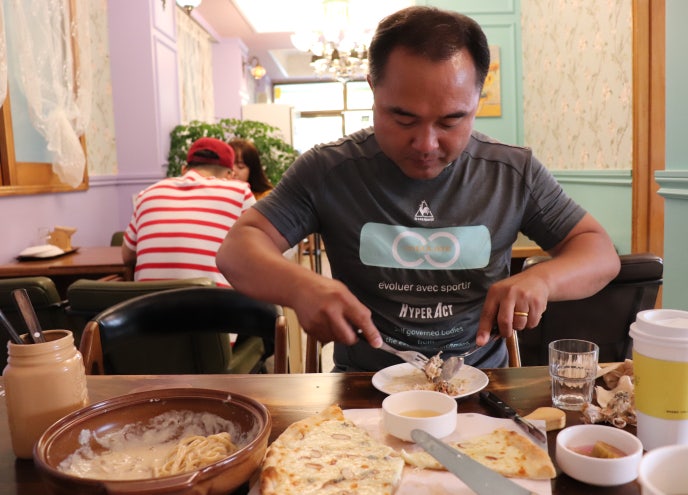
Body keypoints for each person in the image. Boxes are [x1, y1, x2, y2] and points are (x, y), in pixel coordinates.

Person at [216, 6, 620, 372]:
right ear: (373, 89)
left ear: (477, 99)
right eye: (403, 119)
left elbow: (599, 251)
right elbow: (237, 249)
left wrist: (542, 280)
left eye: (450, 121)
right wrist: (301, 286)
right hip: (363, 384)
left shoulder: (512, 171)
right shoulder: (329, 169)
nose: (426, 145)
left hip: (480, 381)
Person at [123, 137, 256, 287]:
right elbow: (263, 251)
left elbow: (127, 256)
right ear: (229, 175)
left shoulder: (147, 194)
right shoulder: (240, 192)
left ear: (184, 170)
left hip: (148, 308)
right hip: (214, 307)